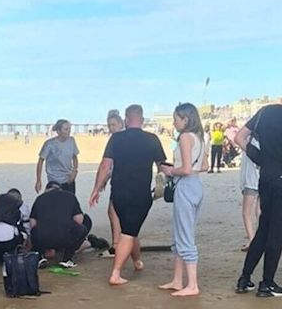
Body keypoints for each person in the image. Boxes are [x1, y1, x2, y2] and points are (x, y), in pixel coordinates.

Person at [89, 104, 166, 285]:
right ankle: (115, 274)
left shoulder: (116, 139)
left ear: (126, 119)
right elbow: (162, 167)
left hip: (119, 194)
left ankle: (137, 261)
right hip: (140, 194)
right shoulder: (152, 139)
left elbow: (105, 165)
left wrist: (96, 188)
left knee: (130, 229)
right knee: (129, 232)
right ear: (142, 119)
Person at [158, 103, 208, 297]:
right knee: (181, 233)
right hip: (195, 186)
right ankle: (178, 280)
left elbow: (186, 169)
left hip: (186, 186)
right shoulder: (200, 138)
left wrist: (170, 170)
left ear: (185, 120)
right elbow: (203, 166)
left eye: (176, 119)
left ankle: (192, 285)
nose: (173, 123)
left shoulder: (186, 137)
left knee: (184, 235)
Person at [235, 104, 282, 297]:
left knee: (263, 229)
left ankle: (245, 278)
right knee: (276, 233)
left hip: (266, 177)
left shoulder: (264, 112)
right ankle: (267, 283)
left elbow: (238, 137)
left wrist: (260, 158)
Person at [30, 181, 92, 268]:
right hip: (64, 237)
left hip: (43, 239)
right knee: (82, 229)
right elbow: (79, 220)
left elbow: (32, 224)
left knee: (35, 231)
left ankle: (40, 257)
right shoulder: (70, 196)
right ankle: (66, 259)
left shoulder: (39, 198)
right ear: (60, 189)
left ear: (46, 190)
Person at [100, 109, 125, 258]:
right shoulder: (123, 138)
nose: (111, 128)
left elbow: (108, 164)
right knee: (117, 212)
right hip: (121, 180)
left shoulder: (117, 140)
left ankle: (116, 246)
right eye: (109, 125)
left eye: (114, 124)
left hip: (120, 182)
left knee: (113, 211)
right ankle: (120, 244)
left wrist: (102, 181)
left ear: (121, 123)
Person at [35, 119, 79, 194]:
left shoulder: (72, 141)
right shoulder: (49, 144)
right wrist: (38, 180)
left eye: (69, 129)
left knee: (69, 203)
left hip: (69, 180)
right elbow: (40, 161)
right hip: (54, 181)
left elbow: (75, 157)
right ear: (58, 131)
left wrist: (74, 171)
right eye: (66, 129)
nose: (69, 131)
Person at [239, 135, 260, 252]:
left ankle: (252, 240)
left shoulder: (248, 142)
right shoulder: (264, 141)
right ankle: (260, 237)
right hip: (262, 179)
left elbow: (237, 138)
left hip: (251, 181)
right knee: (259, 211)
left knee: (246, 212)